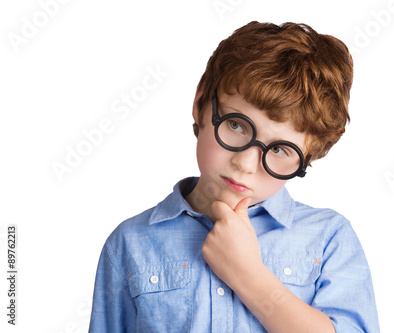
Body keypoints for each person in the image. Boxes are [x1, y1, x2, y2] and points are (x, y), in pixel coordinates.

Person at [89, 21, 379, 333]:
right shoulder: (130, 243)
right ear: (201, 104)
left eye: (280, 149)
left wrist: (248, 275)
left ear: (308, 158)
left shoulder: (328, 240)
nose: (246, 163)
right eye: (237, 125)